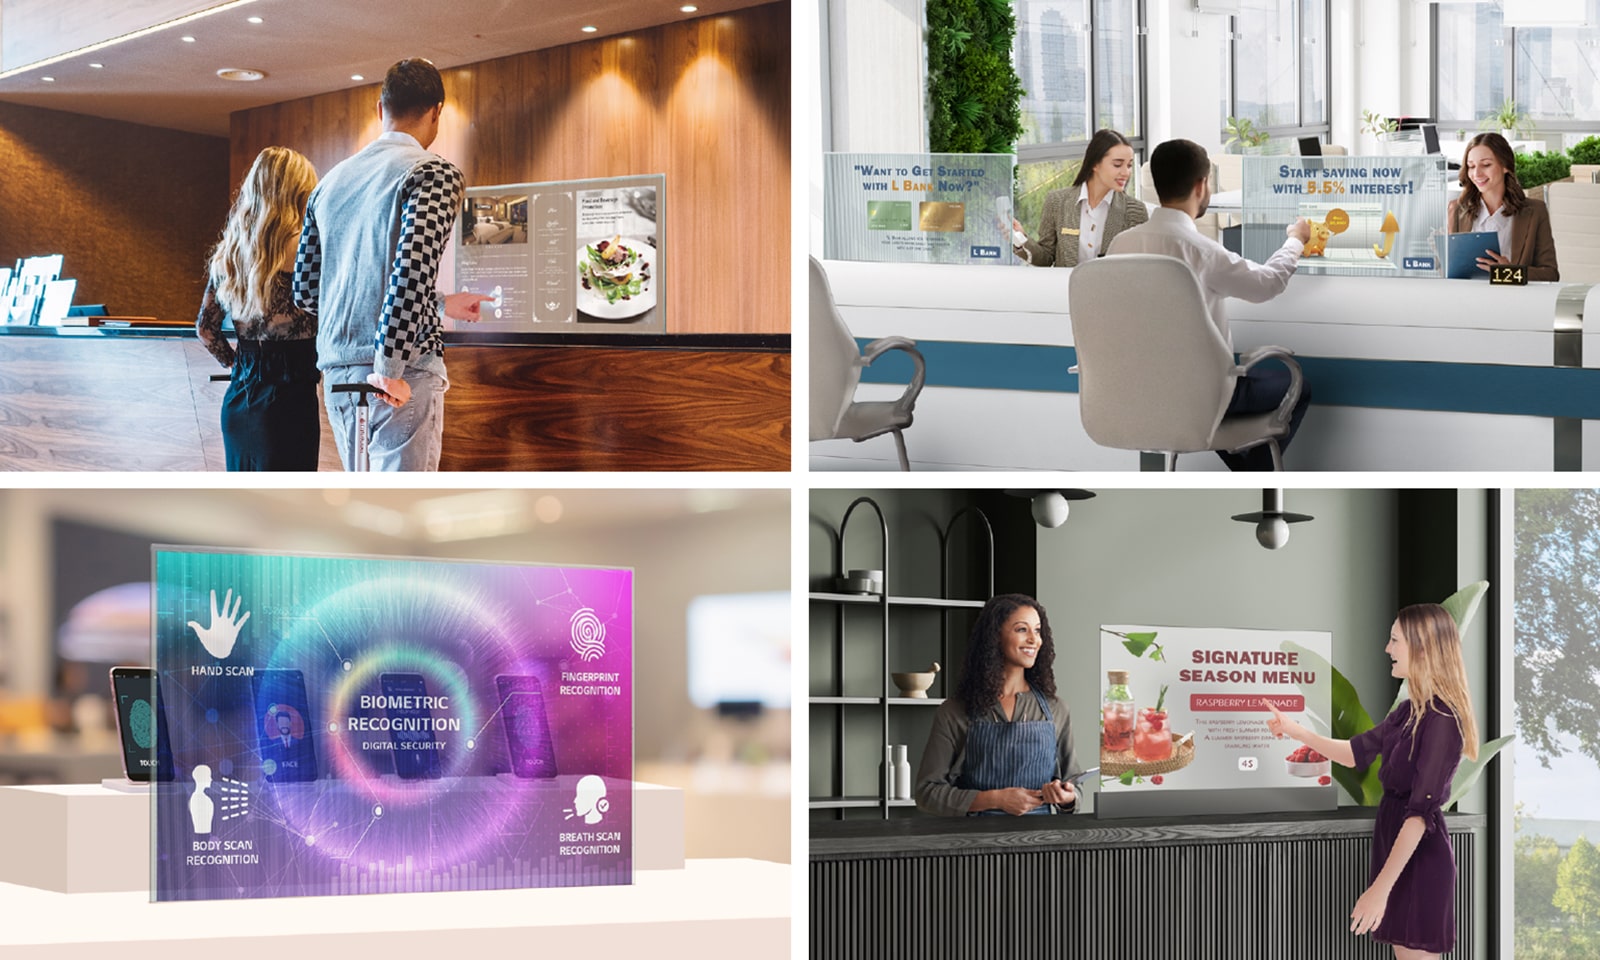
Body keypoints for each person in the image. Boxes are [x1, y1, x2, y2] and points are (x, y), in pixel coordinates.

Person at [293, 58, 493, 471]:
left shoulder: (329, 182)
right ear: (437, 112)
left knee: (364, 507)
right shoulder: (433, 172)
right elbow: (412, 270)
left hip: (338, 375)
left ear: (380, 109)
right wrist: (387, 367)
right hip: (400, 375)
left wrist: (438, 303)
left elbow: (307, 291)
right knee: (404, 511)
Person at [1265, 604, 1479, 960]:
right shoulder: (1409, 711)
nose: (1388, 649)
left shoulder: (1441, 719)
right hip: (1395, 851)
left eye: (1395, 640)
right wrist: (1295, 730)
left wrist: (1380, 889)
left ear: (1422, 649)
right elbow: (1354, 752)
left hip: (1418, 859)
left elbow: (1419, 816)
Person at [1107, 138, 1313, 471]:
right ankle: (1254, 473)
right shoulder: (1201, 251)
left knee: (1206, 392)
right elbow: (1267, 284)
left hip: (1138, 397)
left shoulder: (1120, 245)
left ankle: (1247, 471)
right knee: (1296, 385)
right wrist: (1295, 240)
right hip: (1198, 401)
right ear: (1202, 185)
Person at [196, 147, 321, 471]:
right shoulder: (306, 246)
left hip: (241, 395)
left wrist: (239, 365)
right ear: (299, 191)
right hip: (290, 399)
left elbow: (206, 329)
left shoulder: (231, 250)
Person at [915, 593, 1080, 816]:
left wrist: (1066, 798)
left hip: (1041, 845)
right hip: (975, 847)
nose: (1034, 639)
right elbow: (927, 793)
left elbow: (1074, 787)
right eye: (1022, 629)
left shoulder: (1055, 709)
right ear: (995, 636)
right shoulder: (954, 711)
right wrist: (994, 799)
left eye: (1038, 630)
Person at [1012, 128, 1148, 267]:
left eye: (1129, 165)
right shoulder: (1057, 201)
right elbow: (1045, 258)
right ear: (1095, 164)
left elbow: (1139, 268)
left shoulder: (1135, 211)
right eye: (1117, 165)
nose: (1126, 172)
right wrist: (1020, 238)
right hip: (1066, 287)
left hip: (1112, 288)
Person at [1448, 132, 1559, 282]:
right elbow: (1448, 271)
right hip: (1468, 301)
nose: (1476, 173)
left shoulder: (1535, 212)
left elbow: (1550, 274)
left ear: (1505, 165)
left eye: (1486, 165)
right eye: (1471, 166)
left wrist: (1509, 272)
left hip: (1513, 301)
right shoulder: (1456, 210)